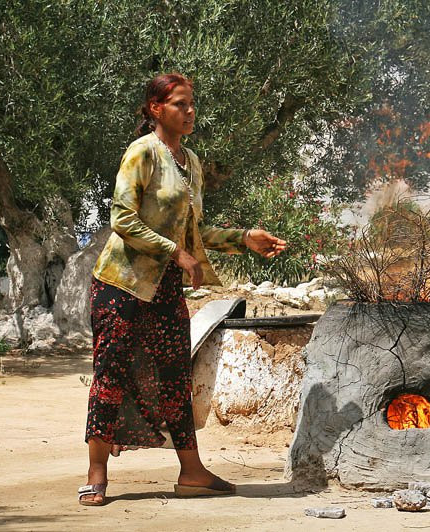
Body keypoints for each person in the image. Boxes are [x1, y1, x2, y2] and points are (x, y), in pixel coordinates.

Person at [78, 73, 287, 506]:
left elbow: (193, 232)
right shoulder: (142, 153)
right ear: (156, 109)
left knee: (175, 377)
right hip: (122, 285)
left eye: (192, 104)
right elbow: (122, 218)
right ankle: (96, 474)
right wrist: (176, 254)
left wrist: (243, 238)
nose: (190, 111)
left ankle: (192, 472)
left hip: (165, 291)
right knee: (111, 374)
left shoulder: (189, 160)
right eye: (179, 104)